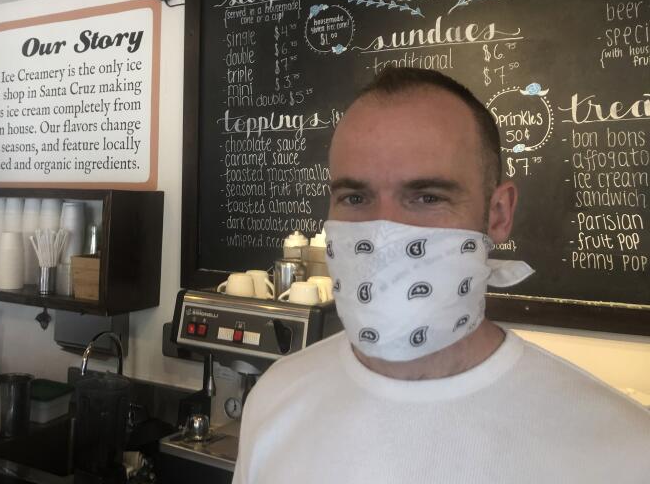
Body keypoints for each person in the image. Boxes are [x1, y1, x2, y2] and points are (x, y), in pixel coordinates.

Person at [232, 68, 650, 483]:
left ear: (498, 214)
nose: (385, 233)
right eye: (355, 197)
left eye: (428, 197)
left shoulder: (621, 450)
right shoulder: (275, 397)